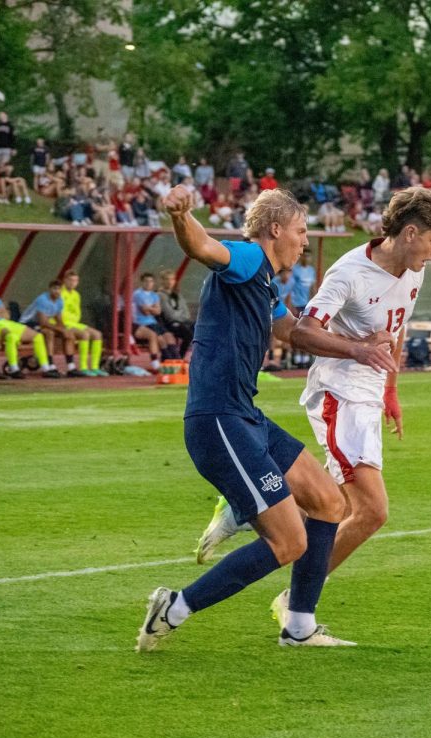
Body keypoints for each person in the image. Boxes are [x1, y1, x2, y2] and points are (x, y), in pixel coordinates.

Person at [137, 185, 388, 652]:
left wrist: (356, 346)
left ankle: (299, 627)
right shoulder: (250, 258)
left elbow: (295, 332)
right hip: (219, 420)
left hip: (244, 415)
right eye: (300, 230)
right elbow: (203, 247)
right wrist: (180, 215)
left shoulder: (267, 282)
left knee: (330, 503)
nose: (305, 240)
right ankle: (173, 607)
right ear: (275, 230)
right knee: (289, 541)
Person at [191, 188, 431, 627]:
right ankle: (297, 604)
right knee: (370, 510)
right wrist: (357, 351)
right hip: (339, 391)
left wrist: (391, 390)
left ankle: (280, 575)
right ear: (410, 232)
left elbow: (396, 328)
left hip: (369, 393)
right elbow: (303, 329)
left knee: (334, 505)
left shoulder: (413, 271)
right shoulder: (347, 273)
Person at [0, 270, 59, 379]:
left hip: (6, 322)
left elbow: (7, 315)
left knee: (38, 336)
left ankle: (46, 368)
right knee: (11, 337)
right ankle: (14, 368)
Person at [18, 280, 78, 374]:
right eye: (54, 288)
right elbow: (43, 322)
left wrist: (64, 330)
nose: (57, 291)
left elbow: (59, 319)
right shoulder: (42, 300)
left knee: (69, 335)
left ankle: (71, 367)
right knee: (49, 333)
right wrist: (61, 330)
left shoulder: (59, 300)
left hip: (41, 324)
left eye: (59, 289)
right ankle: (50, 365)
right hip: (28, 324)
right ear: (49, 289)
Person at [59, 272, 107, 376]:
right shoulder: (60, 293)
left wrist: (75, 320)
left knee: (97, 334)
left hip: (74, 323)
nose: (73, 283)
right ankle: (83, 367)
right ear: (65, 280)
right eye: (70, 280)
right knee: (85, 335)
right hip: (63, 323)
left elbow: (77, 311)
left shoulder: (76, 295)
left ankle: (95, 366)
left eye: (75, 281)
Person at [132, 273, 178, 370]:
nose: (149, 283)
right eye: (146, 281)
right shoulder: (138, 294)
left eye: (151, 281)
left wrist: (150, 308)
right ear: (142, 282)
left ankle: (175, 360)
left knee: (169, 337)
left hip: (153, 322)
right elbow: (145, 312)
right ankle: (161, 363)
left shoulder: (154, 295)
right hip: (141, 323)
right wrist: (152, 308)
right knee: (159, 339)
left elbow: (158, 311)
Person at [158, 269, 195, 358]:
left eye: (171, 279)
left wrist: (179, 315)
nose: (169, 282)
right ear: (162, 281)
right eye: (167, 279)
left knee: (197, 326)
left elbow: (186, 313)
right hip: (169, 324)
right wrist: (180, 315)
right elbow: (169, 315)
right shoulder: (160, 295)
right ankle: (180, 357)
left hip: (181, 321)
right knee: (189, 335)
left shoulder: (178, 295)